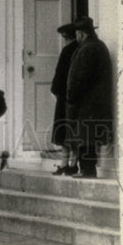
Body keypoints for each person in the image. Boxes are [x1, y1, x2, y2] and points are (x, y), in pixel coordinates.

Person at [66, 16, 113, 179]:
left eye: (77, 33)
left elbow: (80, 78)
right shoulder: (99, 46)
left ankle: (86, 169)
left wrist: (71, 97)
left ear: (81, 33)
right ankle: (87, 168)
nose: (76, 36)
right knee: (89, 137)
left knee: (85, 137)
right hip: (96, 102)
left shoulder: (87, 49)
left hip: (87, 102)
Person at [50, 22, 79, 175]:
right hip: (75, 97)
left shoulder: (67, 50)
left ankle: (64, 164)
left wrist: (54, 90)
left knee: (64, 132)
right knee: (73, 132)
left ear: (66, 36)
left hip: (64, 97)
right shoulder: (80, 48)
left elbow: (60, 74)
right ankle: (73, 164)